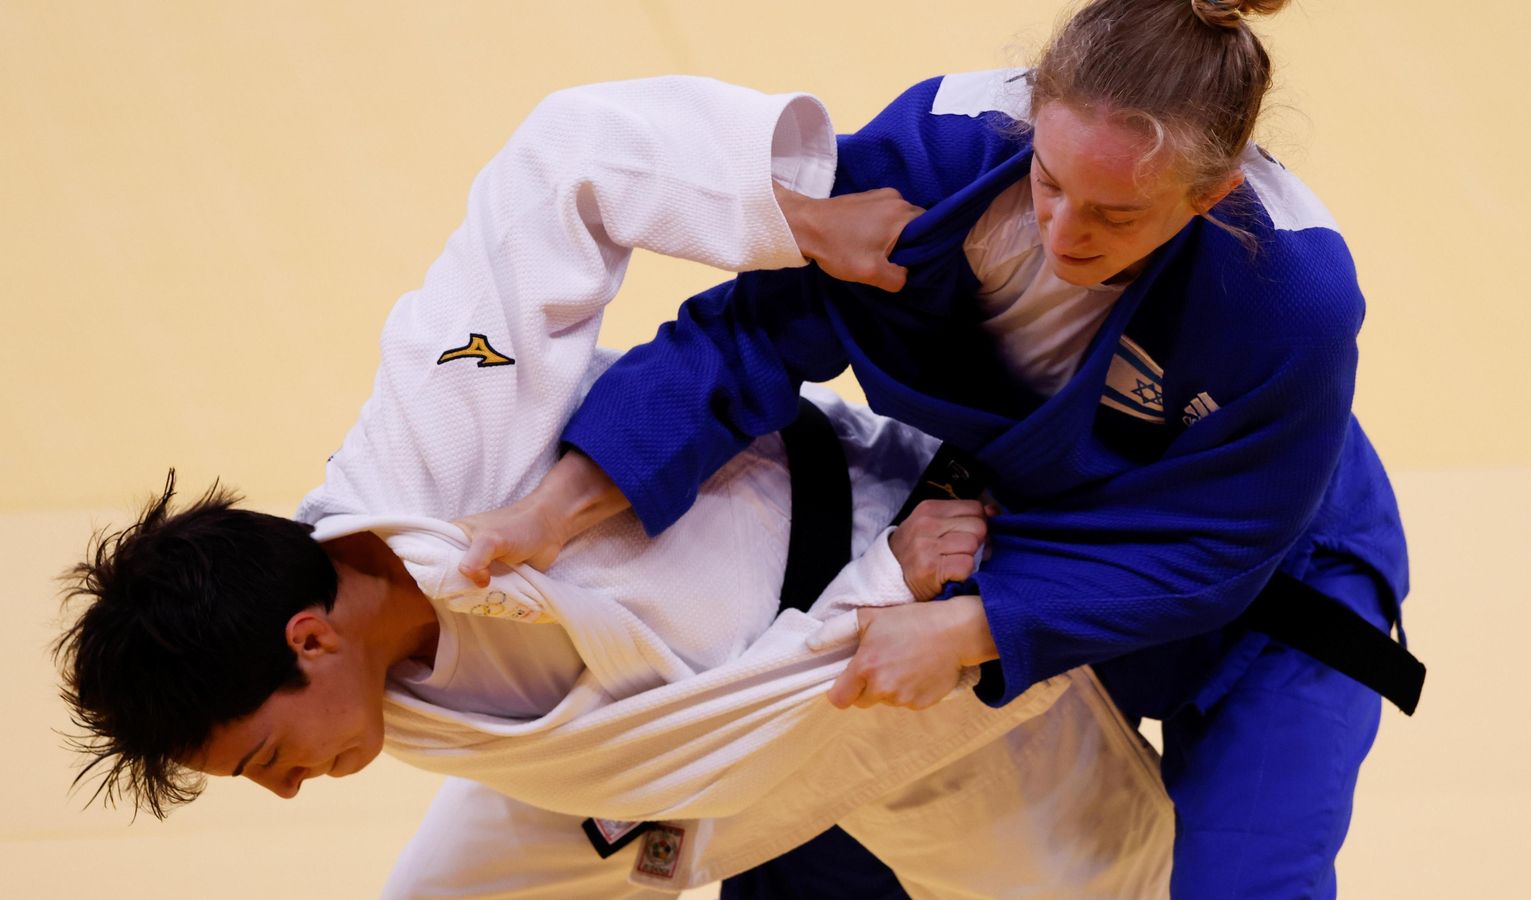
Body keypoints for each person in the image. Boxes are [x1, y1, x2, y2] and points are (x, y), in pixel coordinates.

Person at [54, 75, 1173, 897]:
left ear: (308, 639)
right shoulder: (404, 710)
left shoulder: (446, 417)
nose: (289, 791)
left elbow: (562, 162)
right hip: (678, 764)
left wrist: (795, 217)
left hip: (913, 642)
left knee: (1104, 888)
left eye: (263, 760)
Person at [466, 1, 1416, 896]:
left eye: (1117, 216)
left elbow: (1212, 546)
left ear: (1212, 194)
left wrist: (974, 628)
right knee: (825, 802)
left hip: (1271, 590)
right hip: (1025, 541)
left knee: (1240, 883)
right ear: (1034, 116)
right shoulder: (941, 154)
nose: (1064, 232)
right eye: (1049, 181)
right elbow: (751, 333)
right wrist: (559, 505)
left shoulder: (1292, 291)